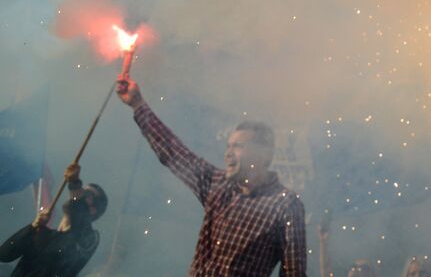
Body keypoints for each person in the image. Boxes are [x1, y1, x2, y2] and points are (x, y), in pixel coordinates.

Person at [116, 76, 306, 275]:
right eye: (228, 146)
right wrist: (138, 105)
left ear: (263, 154)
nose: (228, 154)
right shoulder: (218, 184)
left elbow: (294, 272)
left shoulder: (285, 205)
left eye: (238, 147)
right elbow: (173, 151)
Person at [0, 162, 106, 277]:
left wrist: (75, 183)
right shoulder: (44, 233)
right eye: (81, 191)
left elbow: (79, 225)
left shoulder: (89, 238)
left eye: (87, 193)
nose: (80, 194)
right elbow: (5, 255)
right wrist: (32, 227)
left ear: (93, 210)